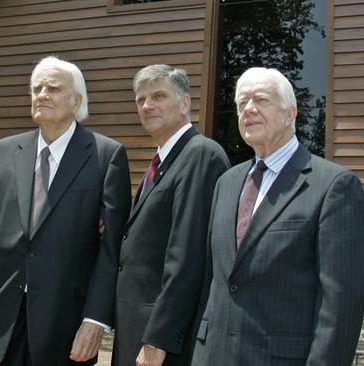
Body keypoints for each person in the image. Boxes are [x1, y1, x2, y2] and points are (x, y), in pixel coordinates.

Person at [0, 56, 132, 366]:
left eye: (53, 88)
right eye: (36, 88)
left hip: (65, 326)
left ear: (77, 100)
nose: (41, 95)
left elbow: (113, 249)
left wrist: (96, 320)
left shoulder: (106, 156)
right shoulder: (1, 152)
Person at [191, 67, 364, 366]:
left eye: (260, 99)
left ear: (290, 113)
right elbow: (215, 280)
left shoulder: (333, 185)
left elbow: (340, 304)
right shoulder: (227, 182)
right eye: (241, 102)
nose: (249, 108)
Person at [112, 65, 229, 366]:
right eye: (141, 99)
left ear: (185, 103)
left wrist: (158, 338)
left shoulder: (200, 155)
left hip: (164, 344)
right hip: (136, 331)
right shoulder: (163, 161)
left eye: (159, 96)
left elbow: (188, 256)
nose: (148, 105)